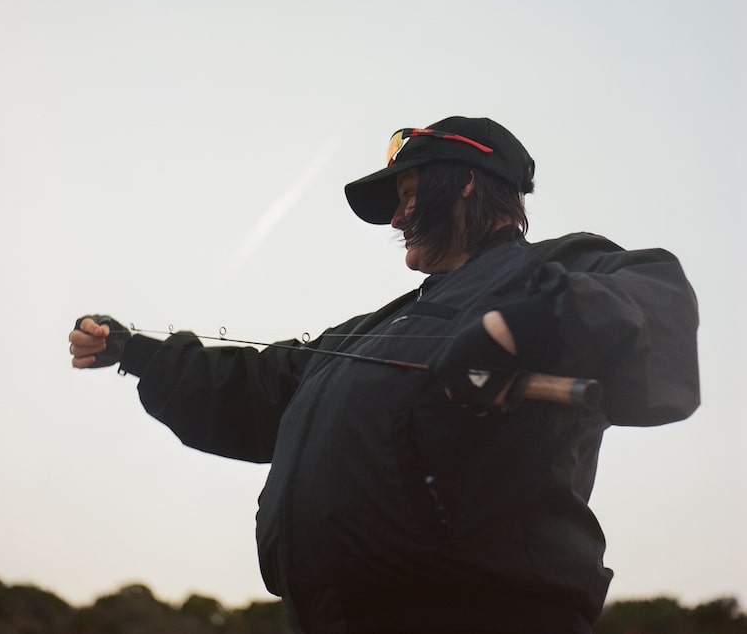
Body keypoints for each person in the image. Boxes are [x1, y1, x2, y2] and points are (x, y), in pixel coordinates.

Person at [69, 116, 700, 634]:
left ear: (466, 185)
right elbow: (261, 386)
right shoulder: (369, 332)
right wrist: (138, 353)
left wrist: (522, 327)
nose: (396, 220)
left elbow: (653, 299)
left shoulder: (555, 269)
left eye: (407, 196)